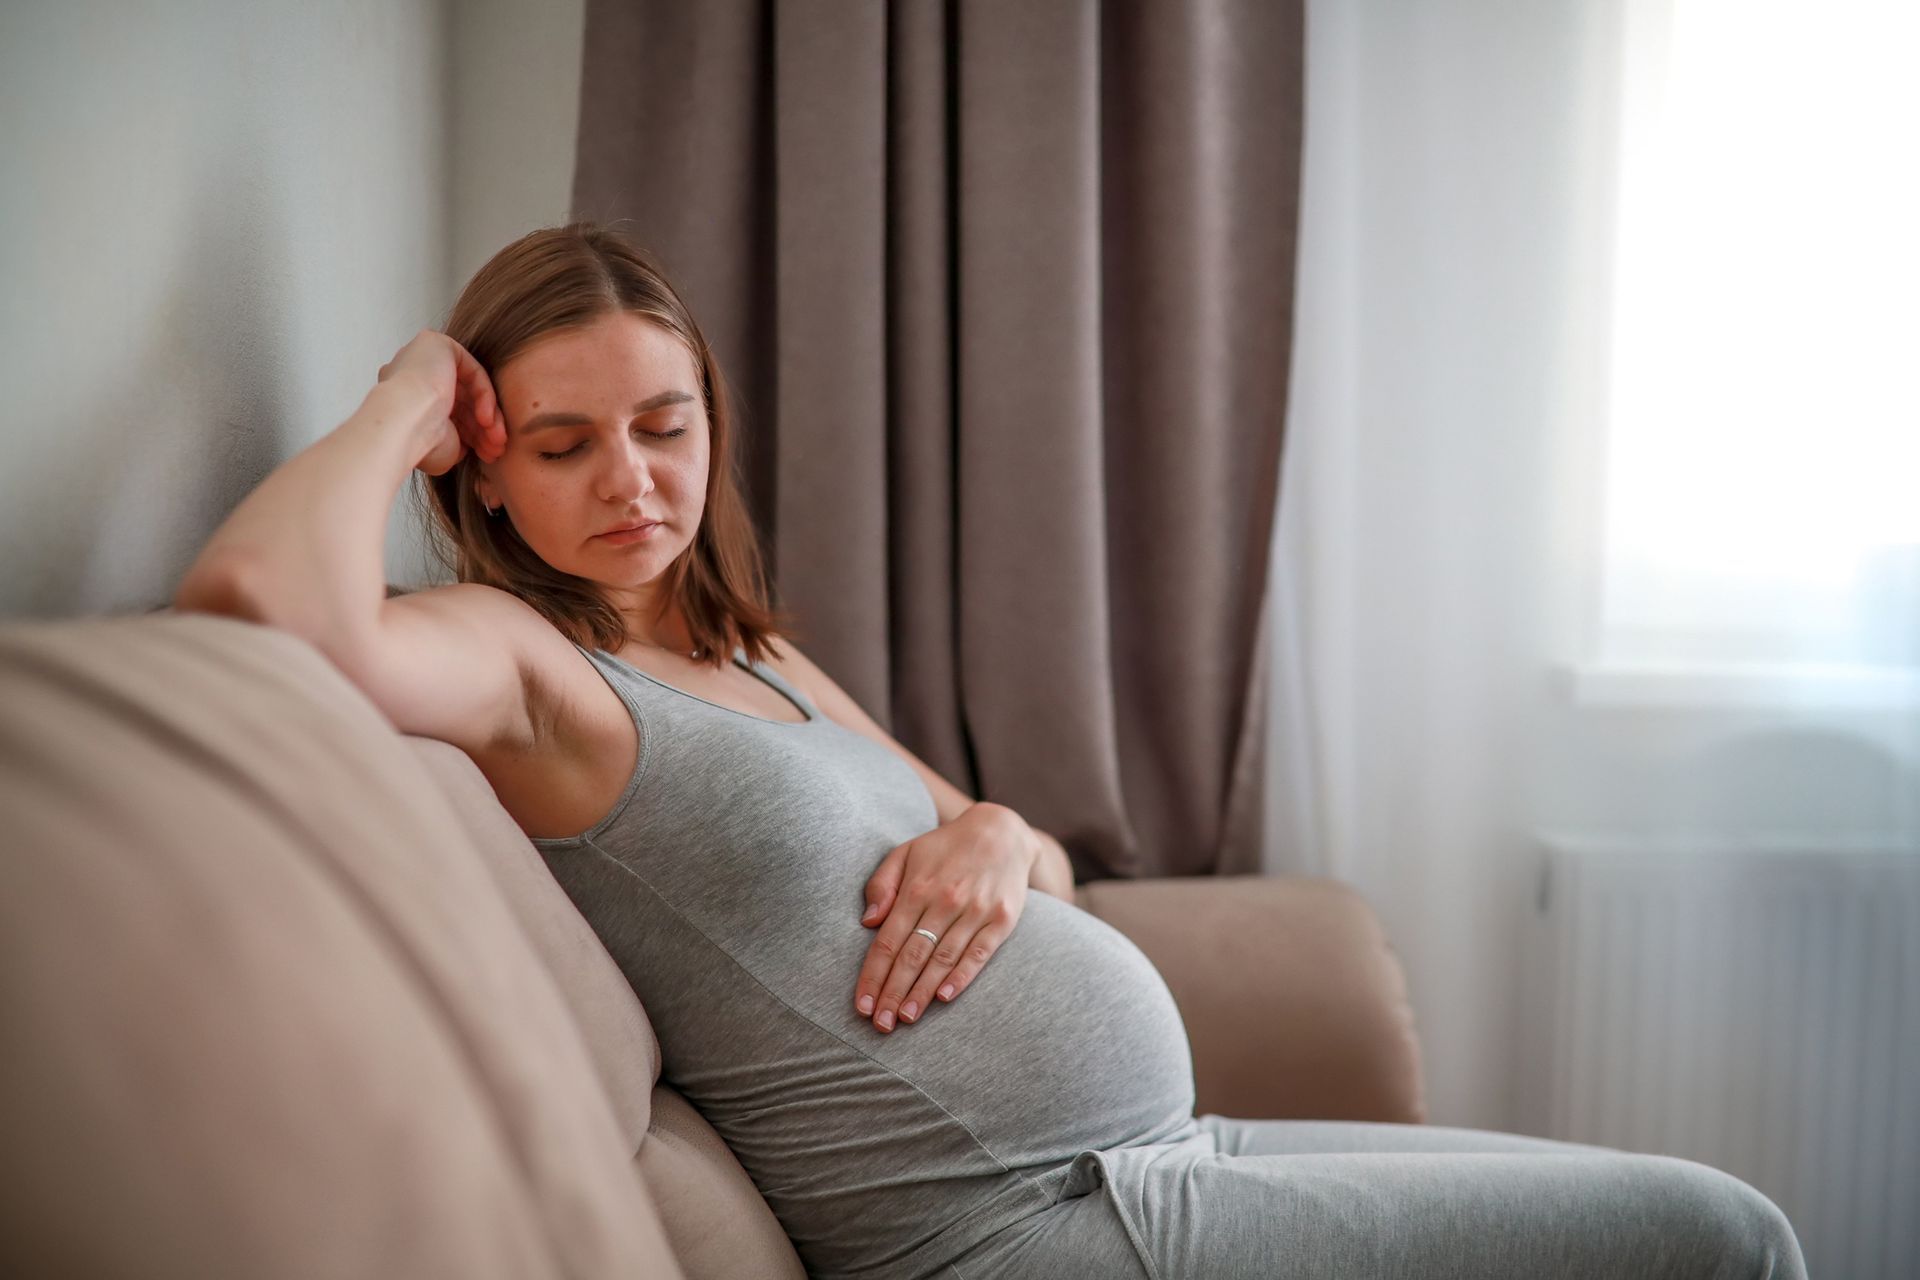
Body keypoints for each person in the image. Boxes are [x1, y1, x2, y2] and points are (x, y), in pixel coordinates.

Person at [173, 223, 1807, 1280]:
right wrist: (402, 397)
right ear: (485, 469)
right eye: (560, 443)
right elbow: (258, 602)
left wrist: (995, 827)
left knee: (1677, 1211)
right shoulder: (527, 662)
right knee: (1723, 1236)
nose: (633, 483)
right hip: (1028, 1228)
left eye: (664, 426)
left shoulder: (740, 647)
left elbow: (1035, 858)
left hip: (1161, 1164)